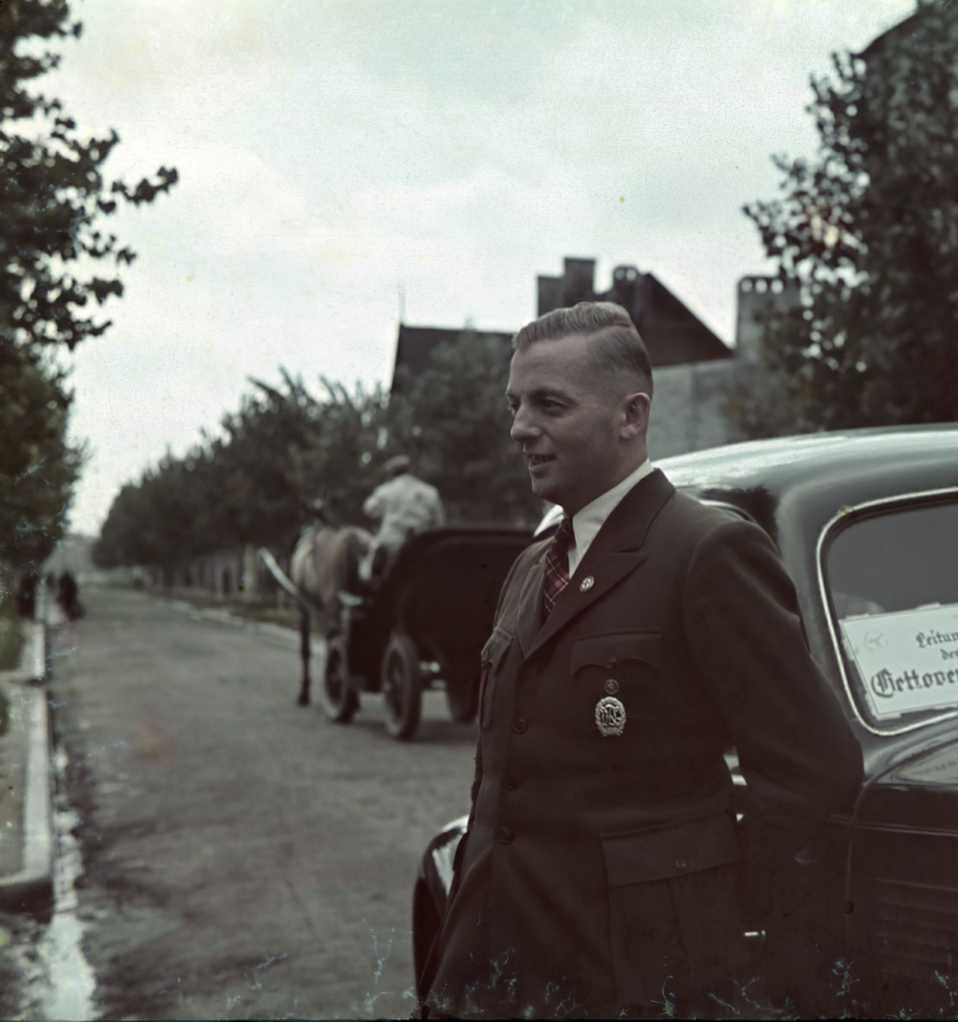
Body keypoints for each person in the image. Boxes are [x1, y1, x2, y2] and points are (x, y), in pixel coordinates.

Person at [420, 302, 863, 1019]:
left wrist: (709, 927)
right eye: (515, 404)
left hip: (635, 986)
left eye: (549, 405)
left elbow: (814, 772)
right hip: (495, 974)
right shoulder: (532, 566)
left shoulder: (705, 551)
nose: (519, 428)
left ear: (630, 416)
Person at [360, 454, 445, 583]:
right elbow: (440, 521)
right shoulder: (429, 491)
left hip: (390, 543)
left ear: (392, 472)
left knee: (366, 571)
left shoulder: (385, 491)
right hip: (420, 543)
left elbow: (368, 509)